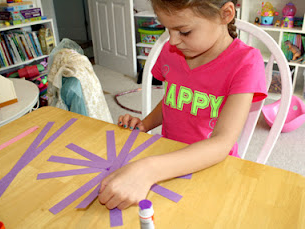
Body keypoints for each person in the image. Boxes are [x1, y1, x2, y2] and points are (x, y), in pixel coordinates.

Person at [98, 0, 267, 210]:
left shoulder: (246, 63)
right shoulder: (172, 52)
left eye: (184, 32)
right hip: (167, 156)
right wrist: (144, 125)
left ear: (225, 14)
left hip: (212, 168)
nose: (172, 41)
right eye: (167, 29)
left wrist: (149, 169)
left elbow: (222, 143)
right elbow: (173, 99)